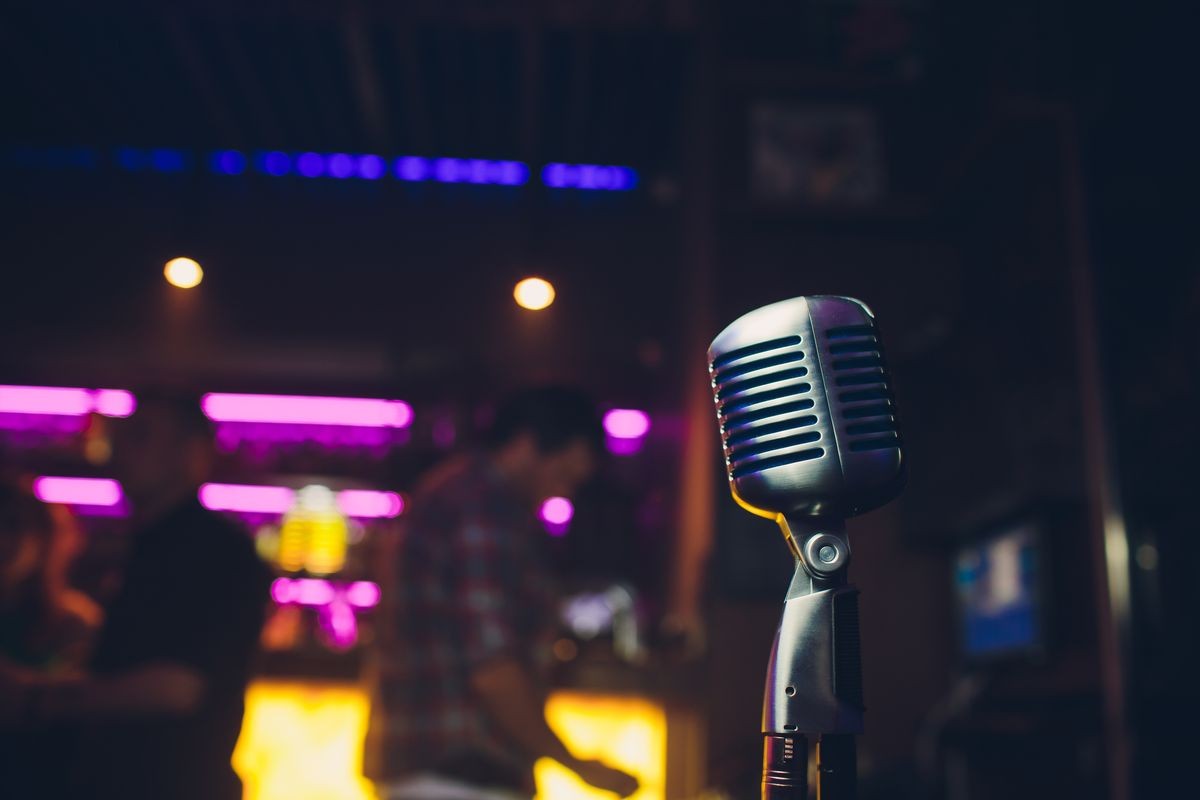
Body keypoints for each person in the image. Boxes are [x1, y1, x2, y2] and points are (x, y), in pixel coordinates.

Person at [367, 386, 639, 800]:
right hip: (457, 778)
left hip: (432, 773)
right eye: (564, 474)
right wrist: (576, 765)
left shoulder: (454, 493)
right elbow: (492, 668)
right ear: (528, 445)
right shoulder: (484, 511)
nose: (563, 493)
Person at [0, 393, 272, 800]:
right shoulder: (149, 546)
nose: (120, 451)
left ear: (191, 454)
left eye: (141, 436)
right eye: (121, 436)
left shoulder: (213, 551)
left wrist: (36, 700)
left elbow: (178, 686)